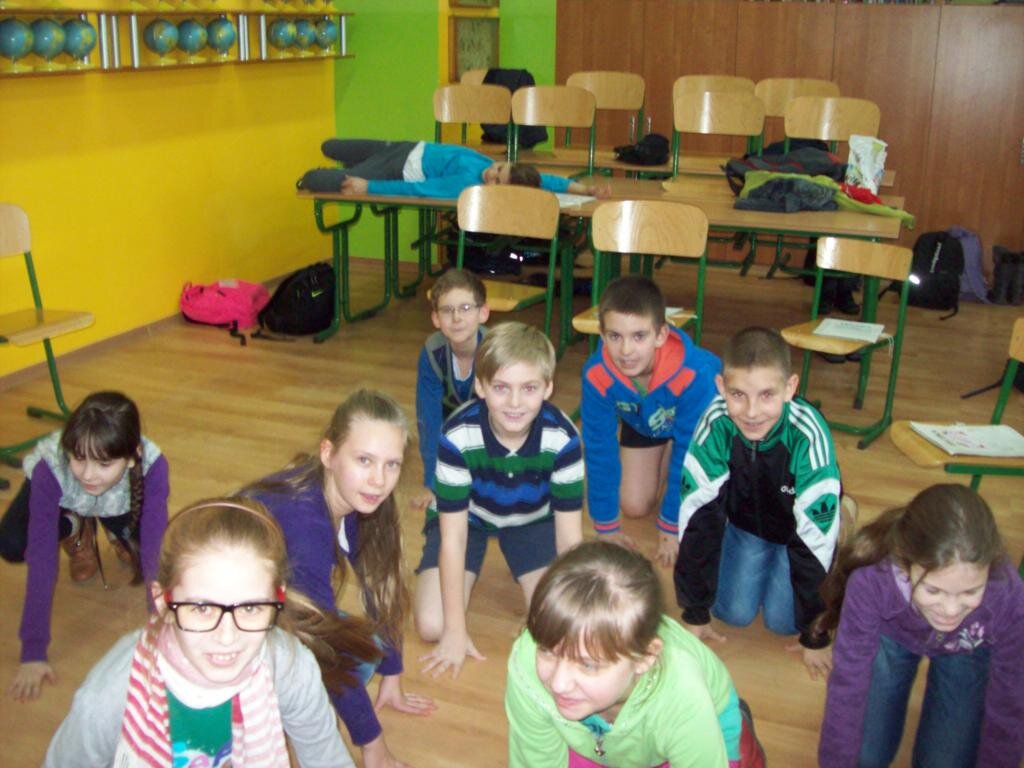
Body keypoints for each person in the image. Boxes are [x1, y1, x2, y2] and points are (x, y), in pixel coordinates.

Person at [44, 498, 378, 768]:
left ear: (277, 599)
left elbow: (325, 757)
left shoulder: (289, 665)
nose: (227, 637)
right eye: (203, 608)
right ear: (163, 601)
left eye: (250, 608)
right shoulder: (109, 696)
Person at [244, 389, 435, 768]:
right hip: (229, 635)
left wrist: (392, 675)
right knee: (345, 657)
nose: (379, 480)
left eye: (392, 465)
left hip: (271, 612)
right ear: (328, 453)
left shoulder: (354, 494)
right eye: (364, 460)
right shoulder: (305, 526)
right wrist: (374, 745)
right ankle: (260, 709)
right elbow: (328, 647)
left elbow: (382, 586)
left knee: (368, 649)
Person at [415, 321, 584, 679]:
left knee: (554, 622)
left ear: (548, 387)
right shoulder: (457, 435)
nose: (515, 403)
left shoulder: (564, 438)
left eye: (529, 388)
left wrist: (564, 610)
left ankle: (526, 571)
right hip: (469, 519)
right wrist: (455, 631)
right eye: (501, 387)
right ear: (480, 386)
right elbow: (454, 538)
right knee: (432, 625)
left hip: (532, 520)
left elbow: (570, 540)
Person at [505, 540, 765, 768]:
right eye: (547, 651)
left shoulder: (681, 691)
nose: (558, 683)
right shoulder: (527, 660)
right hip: (598, 746)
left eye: (588, 665)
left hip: (690, 736)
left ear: (645, 658)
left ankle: (745, 736)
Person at [817, 484, 1024, 768]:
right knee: (866, 757)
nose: (951, 611)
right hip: (894, 635)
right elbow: (848, 684)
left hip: (967, 648)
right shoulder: (872, 584)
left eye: (970, 591)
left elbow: (1010, 699)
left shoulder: (1009, 596)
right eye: (933, 590)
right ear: (904, 565)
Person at [674, 326, 841, 678]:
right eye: (738, 394)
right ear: (721, 387)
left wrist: (815, 633)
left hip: (798, 533)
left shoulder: (808, 435)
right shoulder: (715, 425)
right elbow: (697, 519)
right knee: (732, 613)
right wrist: (695, 613)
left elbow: (814, 540)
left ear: (790, 388)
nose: (751, 412)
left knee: (783, 623)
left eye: (767, 395)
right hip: (747, 528)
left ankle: (843, 512)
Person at [0, 391, 170, 703]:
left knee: (147, 550)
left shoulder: (152, 466)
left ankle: (114, 532)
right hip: (66, 499)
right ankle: (74, 526)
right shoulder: (51, 467)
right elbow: (41, 559)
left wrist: (161, 630)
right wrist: (33, 651)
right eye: (79, 459)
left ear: (132, 455)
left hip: (120, 503)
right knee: (11, 543)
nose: (89, 474)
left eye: (104, 463)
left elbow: (155, 553)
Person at [580, 276, 720, 566]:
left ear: (661, 335)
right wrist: (606, 526)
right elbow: (599, 448)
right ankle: (666, 445)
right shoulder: (596, 374)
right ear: (601, 334)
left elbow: (690, 451)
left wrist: (671, 522)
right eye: (615, 336)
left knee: (696, 464)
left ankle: (671, 445)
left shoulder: (696, 374)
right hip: (645, 423)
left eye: (639, 336)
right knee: (633, 506)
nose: (626, 351)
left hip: (699, 432)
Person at [412, 268, 490, 512]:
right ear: (436, 319)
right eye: (447, 310)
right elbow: (428, 418)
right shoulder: (432, 352)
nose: (456, 318)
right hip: (452, 423)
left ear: (483, 313)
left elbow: (505, 416)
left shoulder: (495, 352)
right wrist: (431, 483)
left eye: (466, 308)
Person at [297, 138, 608, 199]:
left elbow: (417, 189)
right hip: (403, 146)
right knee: (330, 145)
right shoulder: (489, 166)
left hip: (395, 168)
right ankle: (351, 164)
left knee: (316, 179)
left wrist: (369, 186)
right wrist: (587, 190)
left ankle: (309, 178)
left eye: (496, 181)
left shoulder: (465, 186)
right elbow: (547, 180)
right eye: (499, 168)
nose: (491, 174)